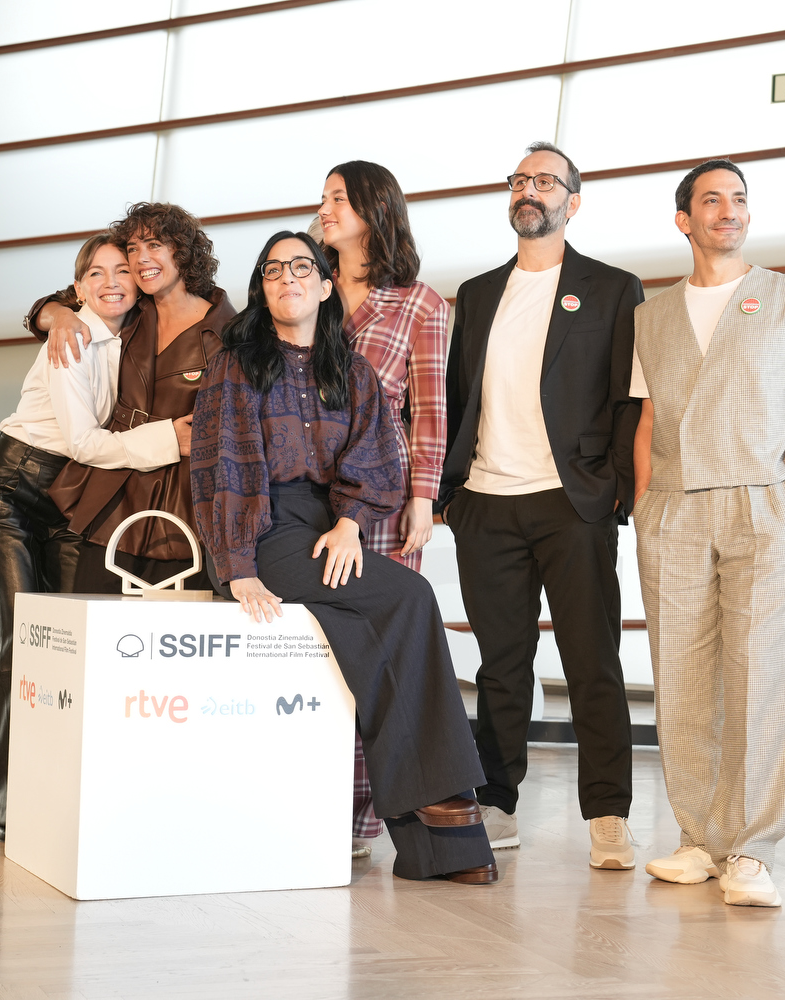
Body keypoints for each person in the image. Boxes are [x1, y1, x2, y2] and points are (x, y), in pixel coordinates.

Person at [191, 231, 497, 885]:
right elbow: (222, 468)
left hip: (324, 526)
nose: (288, 277)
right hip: (263, 530)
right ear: (262, 288)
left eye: (302, 266)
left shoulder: (350, 370)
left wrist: (352, 525)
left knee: (368, 632)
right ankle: (440, 802)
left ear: (327, 285)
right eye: (273, 269)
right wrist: (237, 567)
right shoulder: (235, 365)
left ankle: (430, 842)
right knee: (409, 596)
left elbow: (378, 458)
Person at [632, 159, 785, 907]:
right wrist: (645, 502)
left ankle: (750, 850)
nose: (729, 210)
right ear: (683, 220)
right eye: (711, 199)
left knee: (761, 678)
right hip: (673, 508)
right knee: (680, 677)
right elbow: (649, 419)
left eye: (739, 199)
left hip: (762, 506)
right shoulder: (650, 316)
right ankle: (698, 837)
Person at [437, 141, 642, 870]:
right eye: (521, 180)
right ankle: (497, 801)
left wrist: (615, 489)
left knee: (593, 661)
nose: (531, 190)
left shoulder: (613, 288)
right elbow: (457, 394)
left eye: (547, 182)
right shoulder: (477, 293)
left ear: (573, 202)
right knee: (501, 665)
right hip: (486, 502)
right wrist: (452, 493)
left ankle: (608, 811)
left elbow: (628, 398)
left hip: (572, 501)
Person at [0, 234, 168, 841]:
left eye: (122, 271)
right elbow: (83, 442)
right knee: (11, 644)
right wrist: (171, 439)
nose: (111, 282)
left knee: (65, 647)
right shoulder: (72, 336)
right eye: (96, 274)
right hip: (12, 492)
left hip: (69, 499)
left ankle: (58, 792)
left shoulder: (137, 333)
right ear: (79, 287)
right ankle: (8, 806)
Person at [316, 160, 450, 855]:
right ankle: (312, 797)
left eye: (339, 198)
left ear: (375, 209)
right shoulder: (306, 289)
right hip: (305, 495)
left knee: (376, 652)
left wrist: (424, 497)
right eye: (324, 198)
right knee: (319, 647)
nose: (325, 209)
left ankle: (361, 818)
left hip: (382, 499)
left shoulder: (419, 304)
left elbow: (430, 410)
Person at [23, 203, 234, 590]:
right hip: (111, 483)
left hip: (184, 494)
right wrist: (59, 315)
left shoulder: (228, 332)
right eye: (133, 249)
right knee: (90, 609)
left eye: (154, 245)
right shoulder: (131, 309)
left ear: (183, 251)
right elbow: (62, 300)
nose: (141, 259)